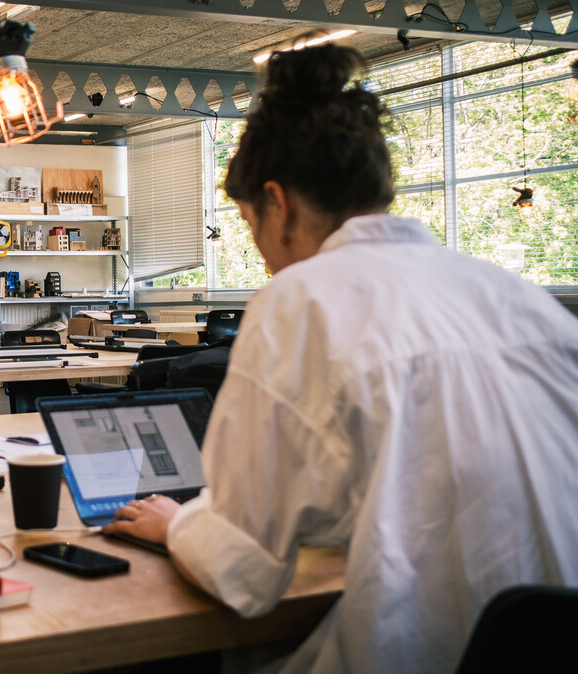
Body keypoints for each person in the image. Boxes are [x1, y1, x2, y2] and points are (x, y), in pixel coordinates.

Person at [105, 38, 578, 673]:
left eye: (250, 228)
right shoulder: (513, 296)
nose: (266, 257)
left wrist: (176, 524)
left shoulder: (300, 300)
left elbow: (245, 570)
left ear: (279, 203)